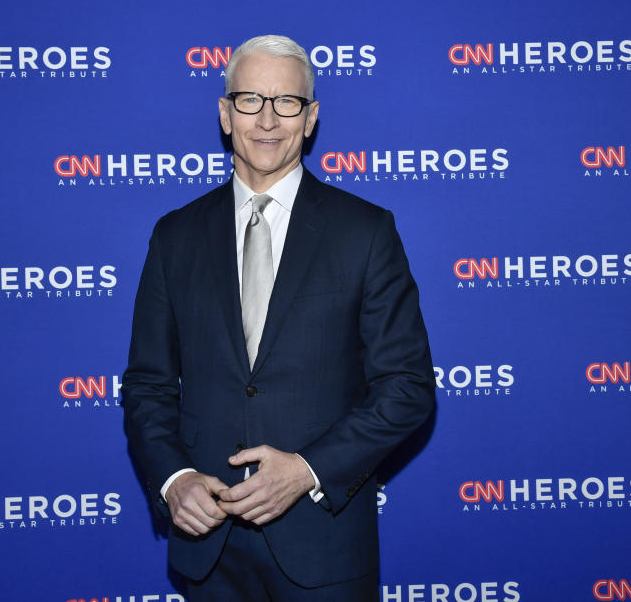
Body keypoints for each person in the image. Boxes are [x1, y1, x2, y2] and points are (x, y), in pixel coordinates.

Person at [123, 34, 435, 601]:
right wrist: (174, 479)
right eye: (250, 100)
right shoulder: (175, 236)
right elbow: (147, 384)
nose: (268, 120)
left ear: (310, 118)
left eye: (287, 102)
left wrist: (307, 469)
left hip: (325, 546)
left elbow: (407, 387)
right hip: (208, 549)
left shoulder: (364, 233)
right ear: (224, 113)